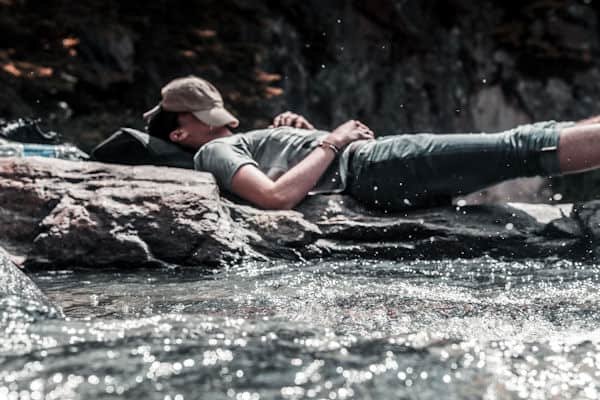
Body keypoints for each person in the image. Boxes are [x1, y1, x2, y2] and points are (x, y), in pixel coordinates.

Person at [143, 75, 600, 211]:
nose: (222, 126)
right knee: (520, 146)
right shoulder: (211, 152)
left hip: (374, 166)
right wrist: (331, 142)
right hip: (374, 165)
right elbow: (275, 197)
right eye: (207, 120)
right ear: (181, 133)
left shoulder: (236, 142)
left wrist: (301, 137)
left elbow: (290, 175)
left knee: (532, 139)